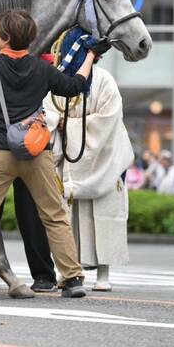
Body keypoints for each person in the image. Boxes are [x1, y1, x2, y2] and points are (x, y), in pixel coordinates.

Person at [0, 9, 104, 300]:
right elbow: (74, 86)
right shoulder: (41, 69)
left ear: (4, 39)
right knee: (54, 215)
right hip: (36, 152)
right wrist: (90, 56)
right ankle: (73, 278)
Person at [45, 66, 132, 292]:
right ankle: (66, 270)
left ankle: (104, 272)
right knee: (66, 216)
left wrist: (70, 124)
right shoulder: (58, 74)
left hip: (105, 157)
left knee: (105, 215)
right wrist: (61, 123)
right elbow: (48, 113)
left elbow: (109, 120)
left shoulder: (105, 80)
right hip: (67, 156)